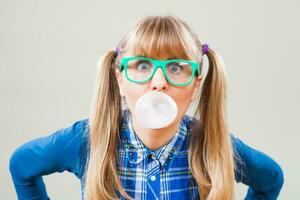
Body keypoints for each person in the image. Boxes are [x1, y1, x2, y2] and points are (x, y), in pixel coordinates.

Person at [9, 15, 284, 200]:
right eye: (142, 65)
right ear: (119, 78)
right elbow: (21, 165)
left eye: (175, 68)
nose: (159, 82)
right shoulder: (87, 141)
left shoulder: (213, 146)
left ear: (196, 84)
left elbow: (271, 178)